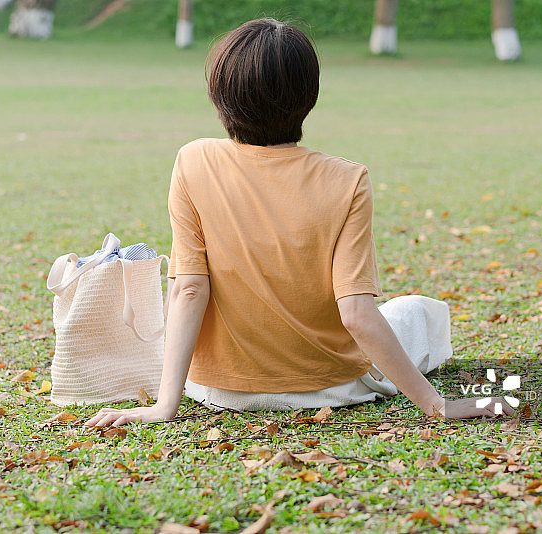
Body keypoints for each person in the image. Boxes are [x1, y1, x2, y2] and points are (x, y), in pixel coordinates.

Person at [86, 18, 512, 428]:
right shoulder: (347, 179)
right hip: (330, 389)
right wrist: (438, 406)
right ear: (309, 96)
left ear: (220, 96)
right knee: (417, 311)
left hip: (214, 390)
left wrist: (166, 403)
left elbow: (189, 288)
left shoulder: (193, 161)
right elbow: (358, 315)